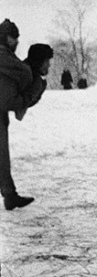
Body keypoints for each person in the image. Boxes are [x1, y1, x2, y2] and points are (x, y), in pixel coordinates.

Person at [0, 20, 49, 210]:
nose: (17, 41)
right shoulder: (5, 59)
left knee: (2, 157)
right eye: (14, 37)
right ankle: (9, 194)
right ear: (6, 38)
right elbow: (10, 101)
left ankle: (9, 194)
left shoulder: (8, 59)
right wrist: (33, 84)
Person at [14, 43, 54, 121]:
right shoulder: (28, 78)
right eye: (47, 61)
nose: (49, 65)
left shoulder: (25, 73)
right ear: (39, 62)